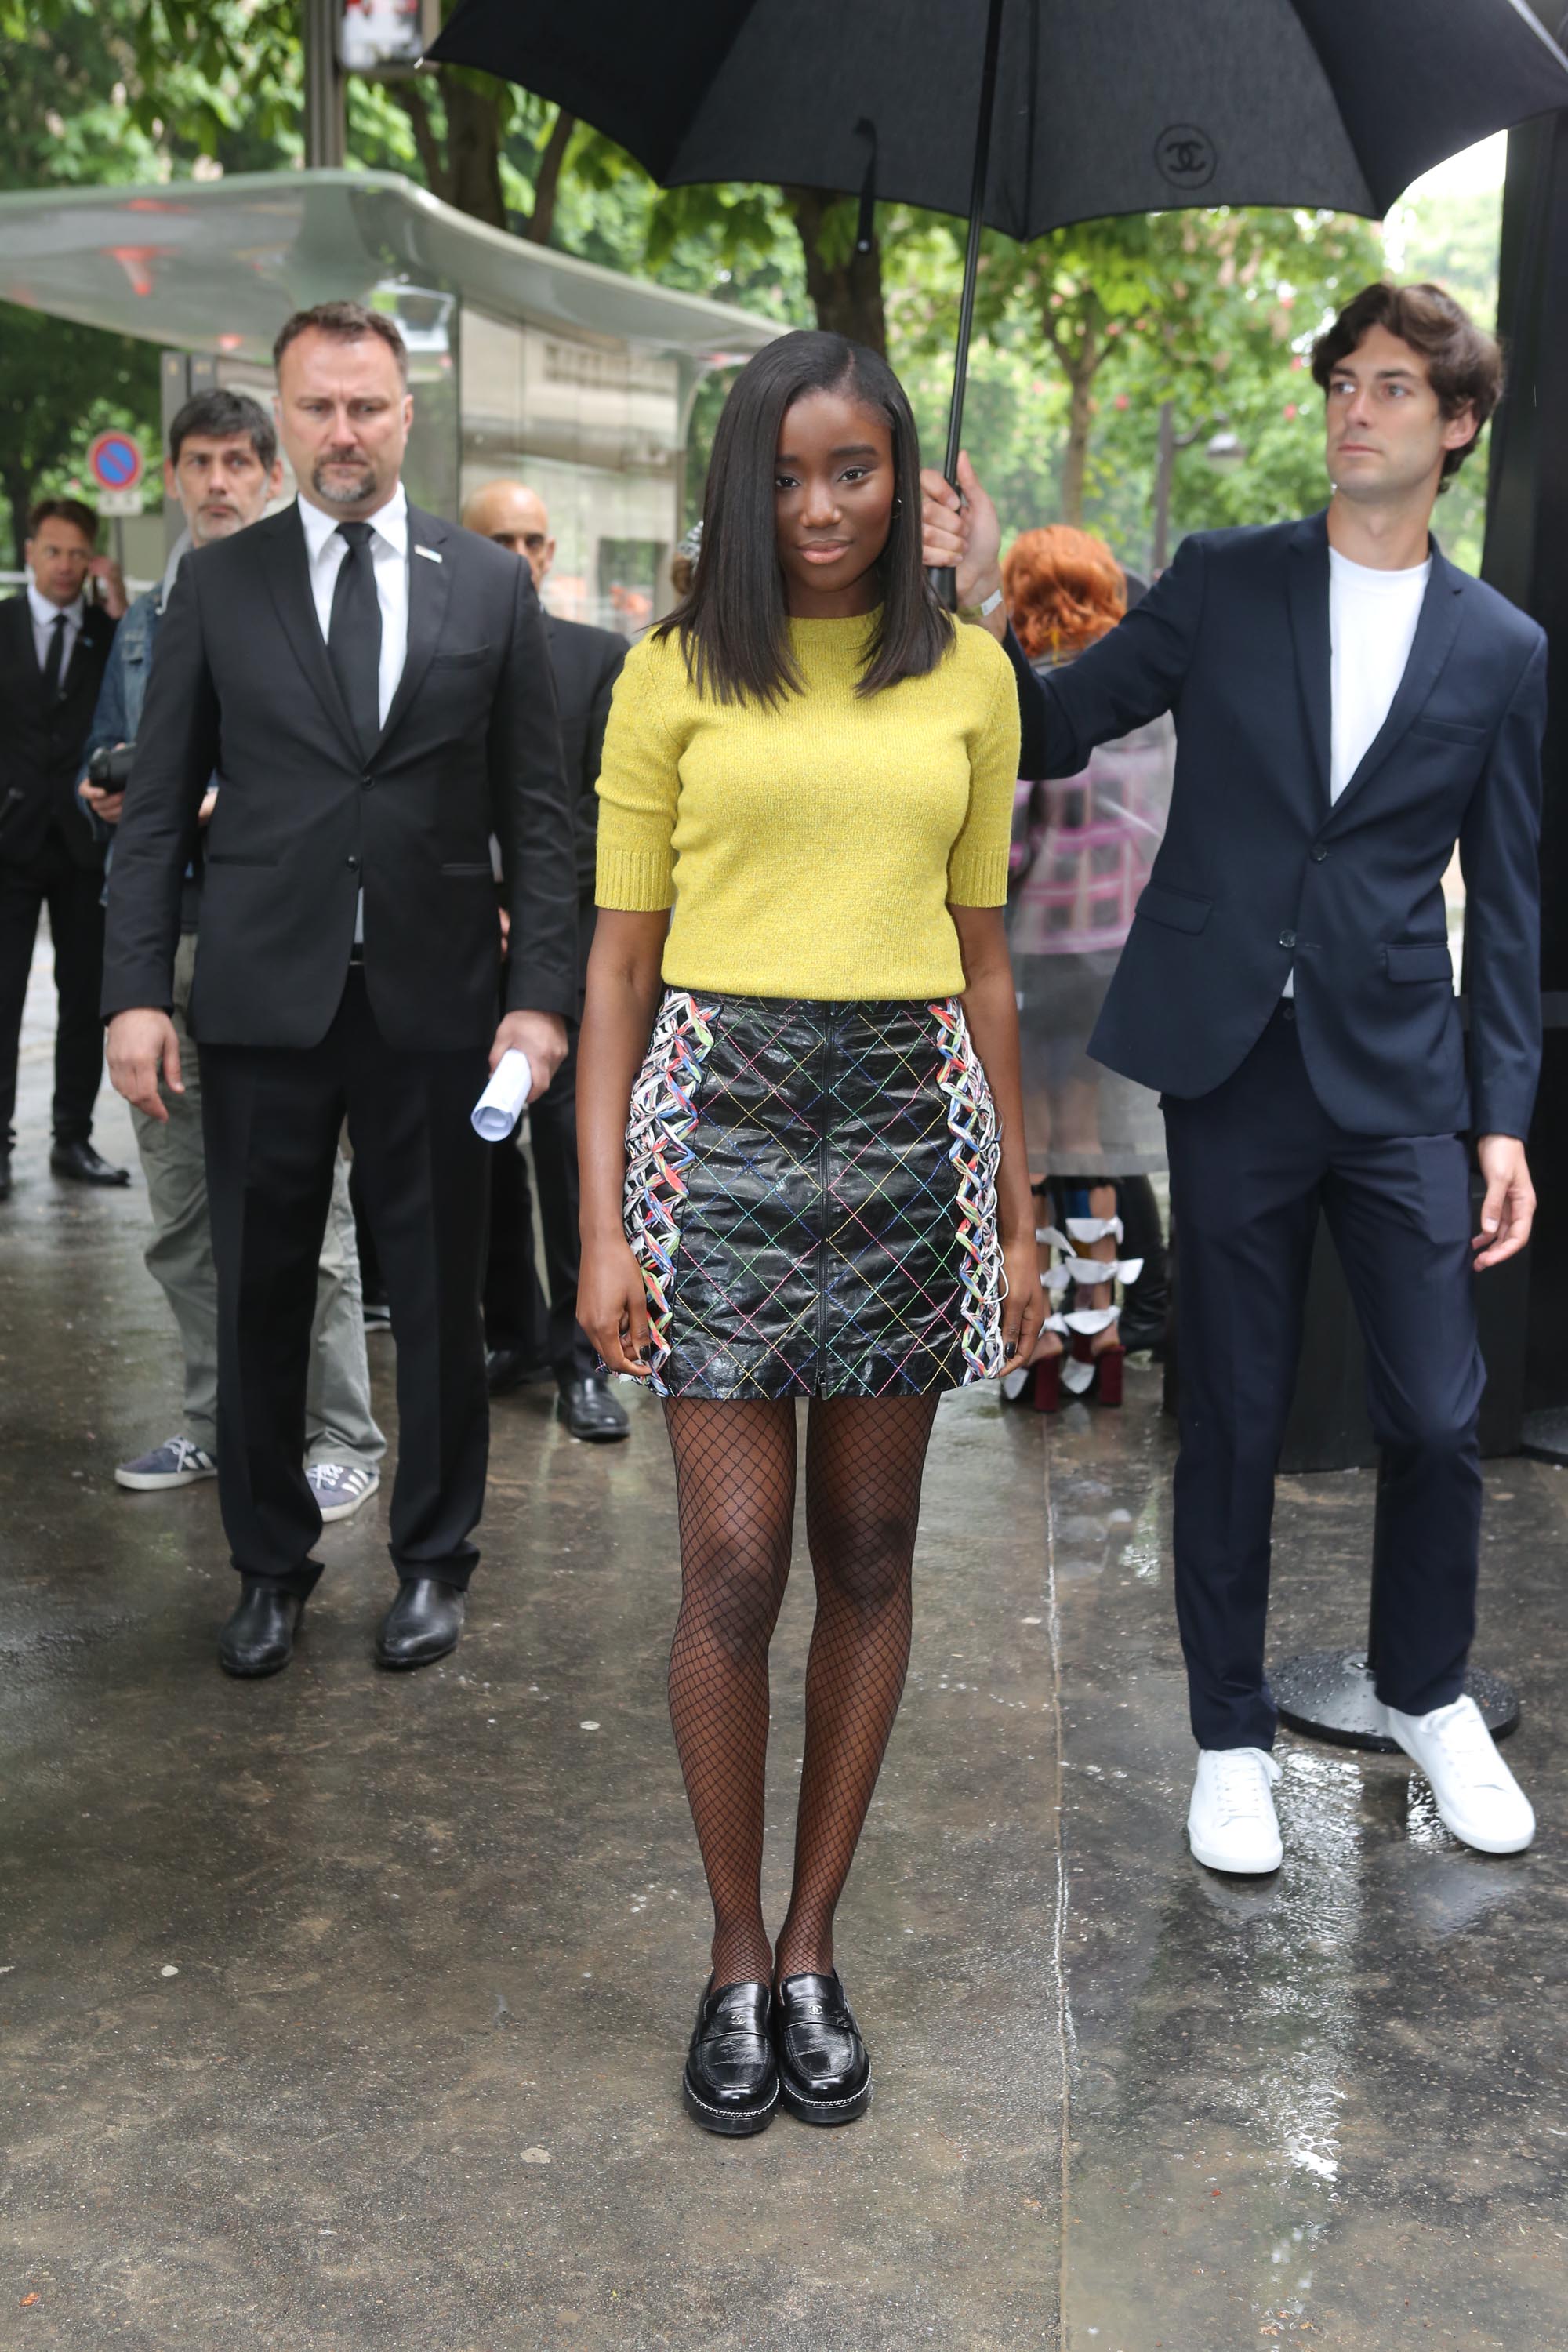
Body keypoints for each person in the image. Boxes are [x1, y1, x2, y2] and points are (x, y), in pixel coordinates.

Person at [923, 280, 1544, 1871]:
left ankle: (1425, 1692)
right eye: (1342, 380)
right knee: (1238, 1409)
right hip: (1230, 1058)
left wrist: (1501, 1118)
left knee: (1434, 1413)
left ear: (1456, 426)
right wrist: (963, 596)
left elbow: (1511, 895)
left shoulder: (1499, 647)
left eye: (1395, 387)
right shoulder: (1226, 579)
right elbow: (1054, 725)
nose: (1356, 407)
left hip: (1401, 1068)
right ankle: (1225, 1734)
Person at [578, 330, 1040, 2135]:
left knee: (865, 1543)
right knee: (731, 1564)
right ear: (736, 490)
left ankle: (813, 1946)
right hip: (716, 1117)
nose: (818, 504)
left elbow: (986, 960)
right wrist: (602, 1221)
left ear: (906, 477)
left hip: (912, 1120)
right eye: (782, 473)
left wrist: (1014, 1218)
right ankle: (724, 1946)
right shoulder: (669, 672)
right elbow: (615, 963)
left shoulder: (977, 680)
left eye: (852, 469)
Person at [102, 299, 579, 1679]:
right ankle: (269, 1565)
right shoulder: (222, 584)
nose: (343, 432)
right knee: (258, 1292)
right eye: (317, 406)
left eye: (367, 406)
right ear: (282, 408)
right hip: (262, 1002)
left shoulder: (488, 587)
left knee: (435, 1303)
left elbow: (537, 815)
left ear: (408, 414)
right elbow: (151, 816)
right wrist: (135, 992)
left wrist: (538, 1000)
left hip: (438, 1002)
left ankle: (433, 1563)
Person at [81, 387, 386, 1515]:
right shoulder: (156, 609)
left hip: (279, 955)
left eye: (236, 462)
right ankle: (217, 1424)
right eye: (197, 463)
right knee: (180, 1220)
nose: (217, 482)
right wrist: (109, 800)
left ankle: (342, 1430)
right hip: (164, 951)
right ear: (172, 477)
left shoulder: (315, 592)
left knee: (312, 1220)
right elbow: (122, 768)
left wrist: (223, 804)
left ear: (269, 475)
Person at [461, 477, 630, 1443]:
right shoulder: (440, 649)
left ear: (552, 555)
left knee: (569, 1161)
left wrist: (526, 909)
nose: (522, 555)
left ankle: (581, 1360)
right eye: (503, 539)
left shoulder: (598, 657)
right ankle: (513, 1333)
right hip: (451, 947)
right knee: (480, 1160)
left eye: (535, 539)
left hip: (560, 947)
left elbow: (603, 811)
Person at [1001, 525, 1174, 1409]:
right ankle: (1098, 1330)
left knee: (1028, 1151)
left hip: (1037, 958)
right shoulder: (1143, 705)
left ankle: (1028, 1342)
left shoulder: (1040, 700)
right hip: (1119, 956)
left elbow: (1006, 855)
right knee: (1091, 1147)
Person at [0, 497, 128, 1197]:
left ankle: (72, 1138)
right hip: (10, 842)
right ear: (29, 553)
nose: (65, 565)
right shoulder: (5, 625)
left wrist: (114, 599)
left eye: (78, 553)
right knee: (3, 996)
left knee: (84, 996)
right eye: (53, 551)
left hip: (84, 841)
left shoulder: (107, 635)